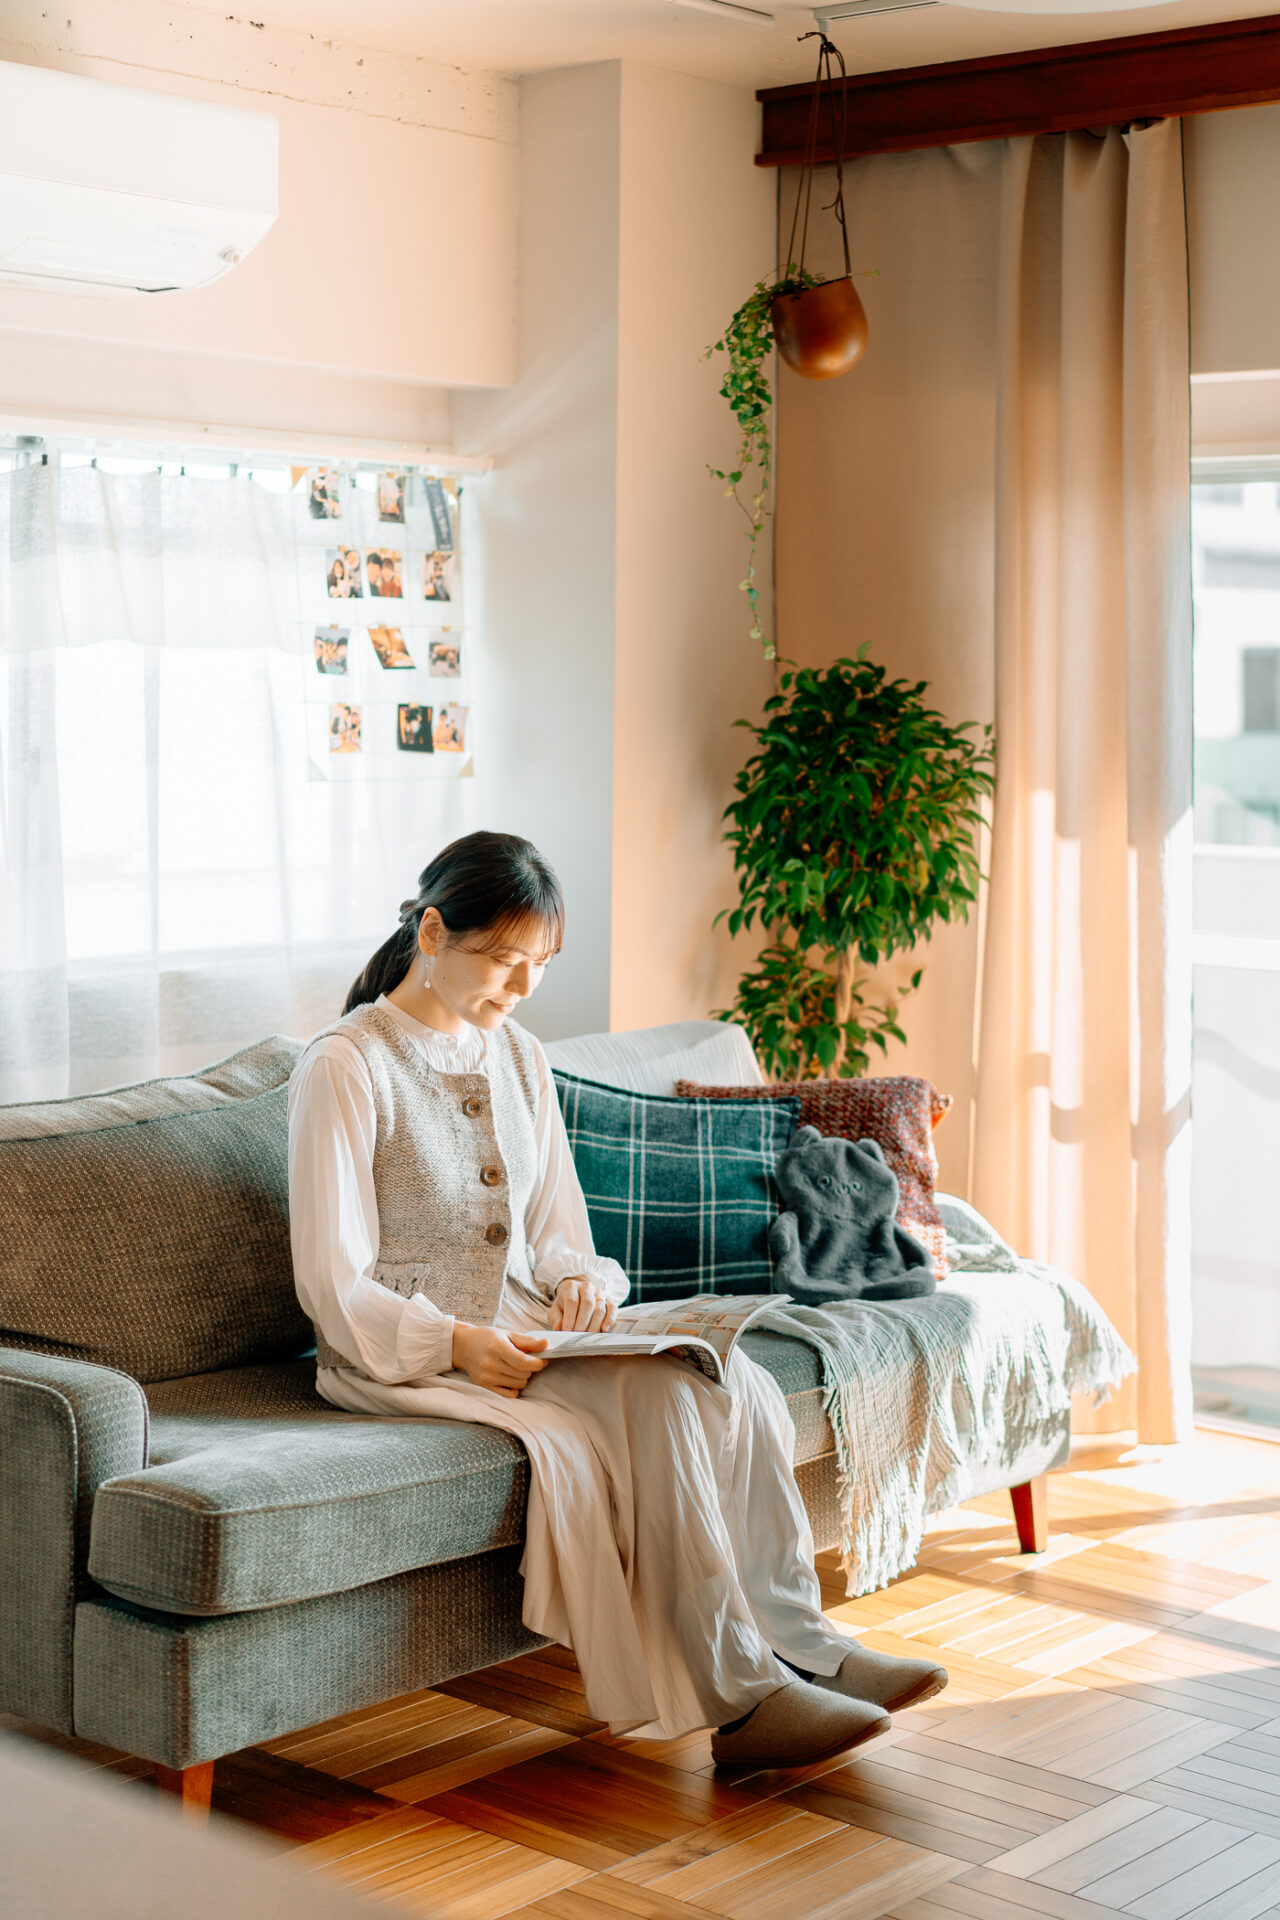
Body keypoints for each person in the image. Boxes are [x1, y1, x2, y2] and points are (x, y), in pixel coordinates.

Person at [287, 832, 947, 1767]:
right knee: (668, 1394)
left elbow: (562, 1224)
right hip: (401, 1355)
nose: (519, 990)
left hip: (529, 1330)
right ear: (433, 932)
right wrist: (456, 1343)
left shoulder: (518, 1056)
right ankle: (742, 1700)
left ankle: (810, 1647)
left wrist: (579, 1283)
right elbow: (330, 1276)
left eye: (539, 967)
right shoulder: (346, 1065)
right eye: (504, 961)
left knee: (733, 1376)